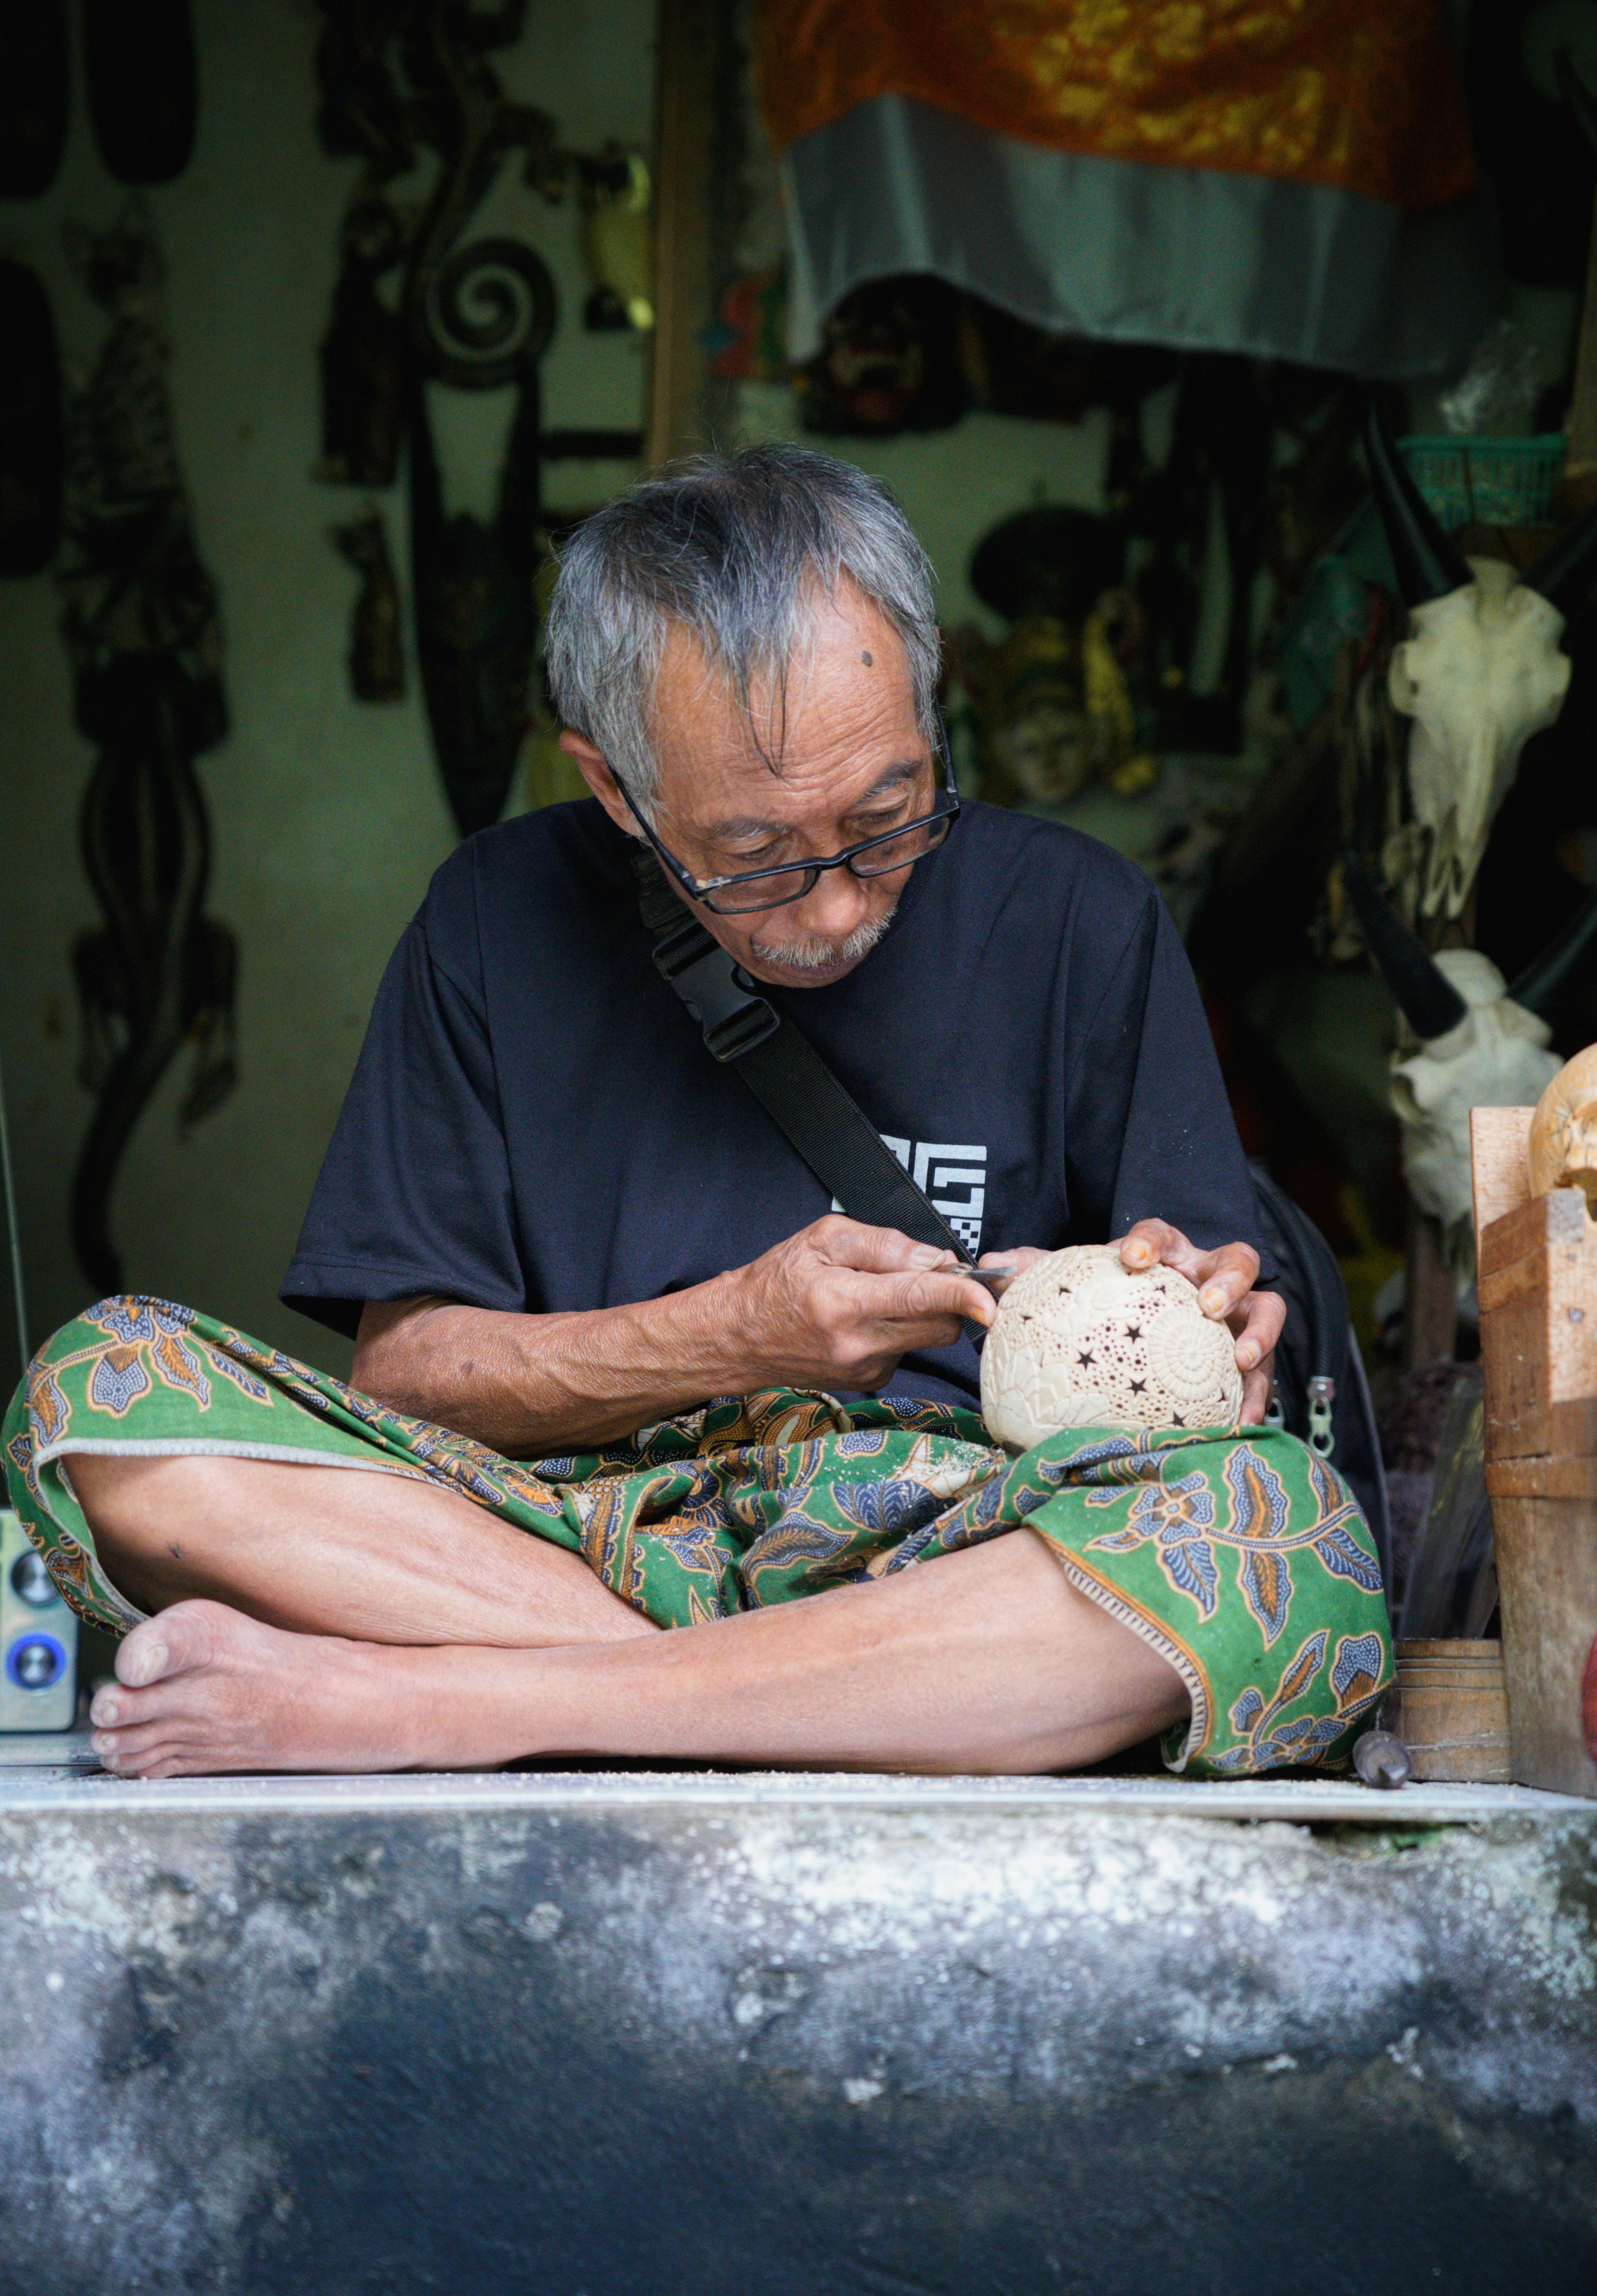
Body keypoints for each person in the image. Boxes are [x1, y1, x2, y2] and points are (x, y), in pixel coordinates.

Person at [2, 449, 1390, 1781]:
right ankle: (827, 1704)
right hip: (562, 1541)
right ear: (614, 785)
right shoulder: (491, 922)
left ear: (927, 690)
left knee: (1288, 1538)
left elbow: (1202, 1379)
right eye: (753, 857)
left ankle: (452, 1700)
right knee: (98, 1397)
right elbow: (404, 1381)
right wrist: (734, 1332)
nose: (840, 903)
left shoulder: (1081, 918)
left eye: (889, 812)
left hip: (953, 1547)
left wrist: (1207, 1326)